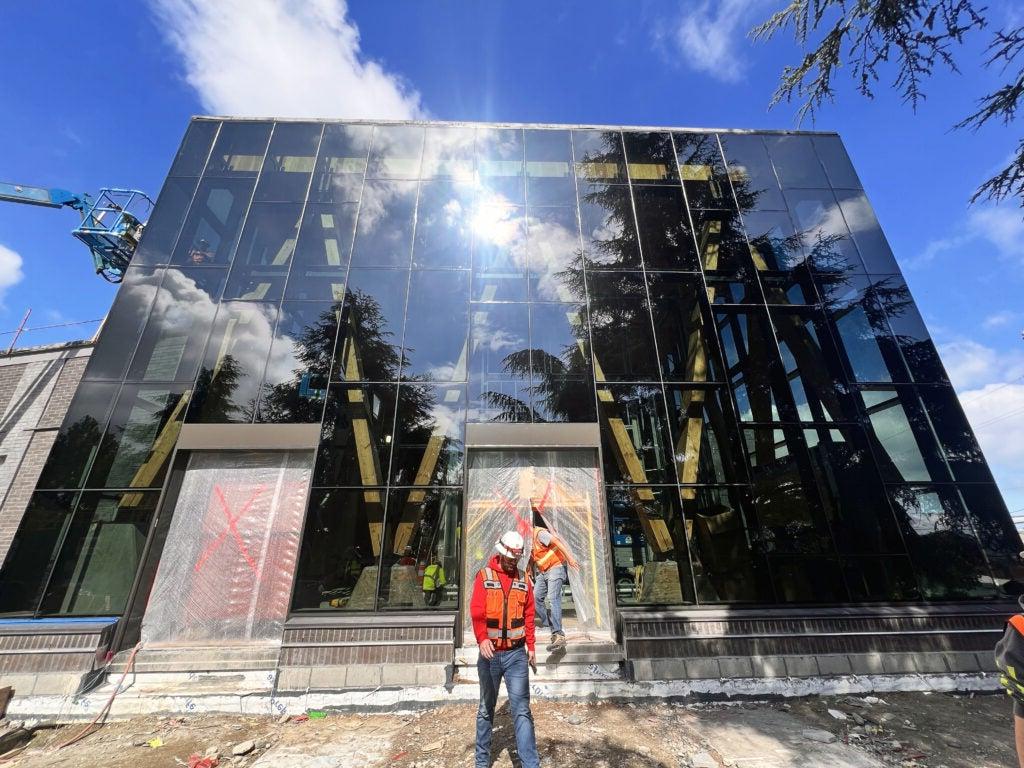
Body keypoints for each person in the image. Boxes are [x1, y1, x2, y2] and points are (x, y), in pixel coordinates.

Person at [470, 530, 539, 768]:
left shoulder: (523, 579)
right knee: (486, 709)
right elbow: (477, 611)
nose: (514, 562)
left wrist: (531, 646)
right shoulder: (484, 576)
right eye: (511, 558)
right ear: (501, 553)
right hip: (490, 656)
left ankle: (531, 764)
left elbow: (529, 614)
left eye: (517, 558)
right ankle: (481, 762)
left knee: (521, 710)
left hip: (516, 655)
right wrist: (481, 639)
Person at [531, 508, 580, 651]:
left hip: (556, 567)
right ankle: (550, 626)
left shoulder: (539, 533)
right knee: (535, 598)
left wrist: (570, 558)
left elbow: (557, 542)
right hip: (544, 571)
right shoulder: (529, 538)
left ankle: (559, 634)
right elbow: (532, 556)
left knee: (553, 598)